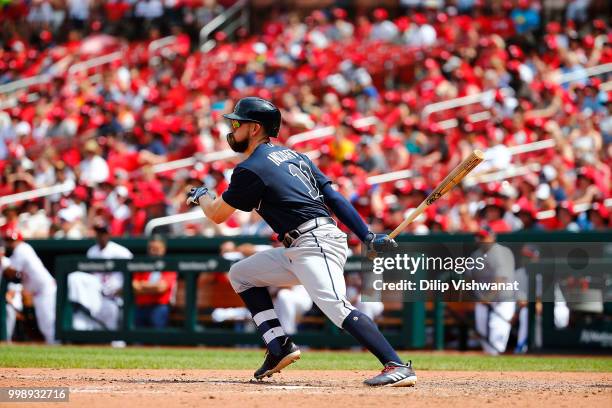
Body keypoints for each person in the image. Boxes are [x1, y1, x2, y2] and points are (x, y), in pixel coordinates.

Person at [186, 97, 416, 387]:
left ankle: (395, 364)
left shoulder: (250, 167)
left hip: (314, 241)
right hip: (302, 245)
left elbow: (218, 214)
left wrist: (202, 196)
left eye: (237, 124)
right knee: (241, 274)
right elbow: (334, 197)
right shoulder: (297, 157)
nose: (232, 130)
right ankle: (278, 345)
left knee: (336, 307)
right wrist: (366, 235)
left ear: (255, 128)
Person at [68, 220, 133, 330]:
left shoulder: (121, 252)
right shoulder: (92, 252)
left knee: (112, 319)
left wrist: (123, 289)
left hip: (114, 298)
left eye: (103, 232)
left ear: (109, 234)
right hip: (96, 296)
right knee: (74, 277)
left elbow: (131, 272)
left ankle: (117, 343)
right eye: (98, 233)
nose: (101, 236)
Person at [1, 227, 57, 344]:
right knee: (44, 324)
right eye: (8, 240)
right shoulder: (17, 253)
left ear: (19, 239)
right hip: (39, 292)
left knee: (48, 322)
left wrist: (2, 259)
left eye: (13, 240)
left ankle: (58, 347)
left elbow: (11, 272)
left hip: (45, 290)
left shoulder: (22, 249)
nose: (11, 243)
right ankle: (55, 345)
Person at [468, 227, 517, 355]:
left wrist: (489, 297)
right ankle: (490, 359)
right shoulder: (475, 255)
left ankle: (496, 357)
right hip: (483, 300)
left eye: (484, 237)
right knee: (481, 331)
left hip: (503, 299)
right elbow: (468, 279)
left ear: (493, 237)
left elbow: (500, 279)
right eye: (479, 237)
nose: (481, 240)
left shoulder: (502, 252)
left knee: (498, 329)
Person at [132, 235, 177, 329]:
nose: (153, 252)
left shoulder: (170, 265)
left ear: (163, 249)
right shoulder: (142, 265)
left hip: (159, 307)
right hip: (141, 307)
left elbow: (161, 288)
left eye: (156, 249)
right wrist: (152, 288)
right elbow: (134, 286)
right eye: (150, 249)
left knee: (159, 314)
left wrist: (143, 285)